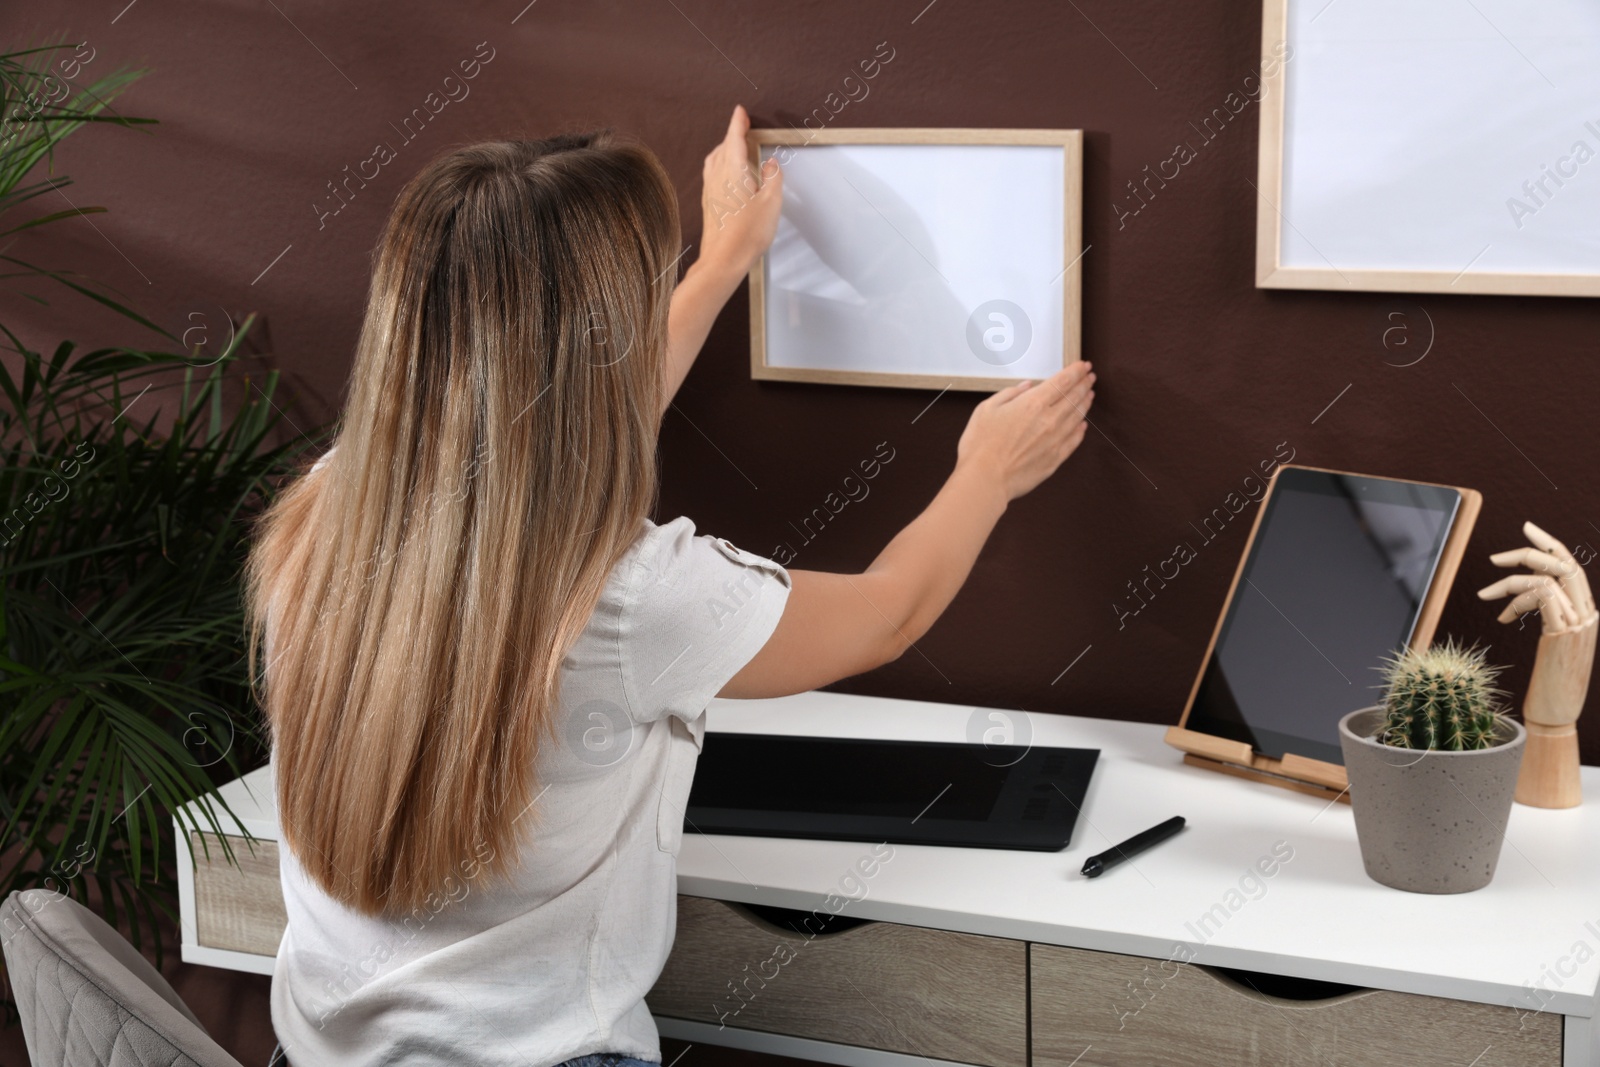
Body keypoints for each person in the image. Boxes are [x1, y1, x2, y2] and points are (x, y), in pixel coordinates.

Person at [244, 104, 1095, 1067]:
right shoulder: (635, 599)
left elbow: (549, 429)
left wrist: (723, 258)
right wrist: (986, 472)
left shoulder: (329, 506)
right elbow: (887, 616)